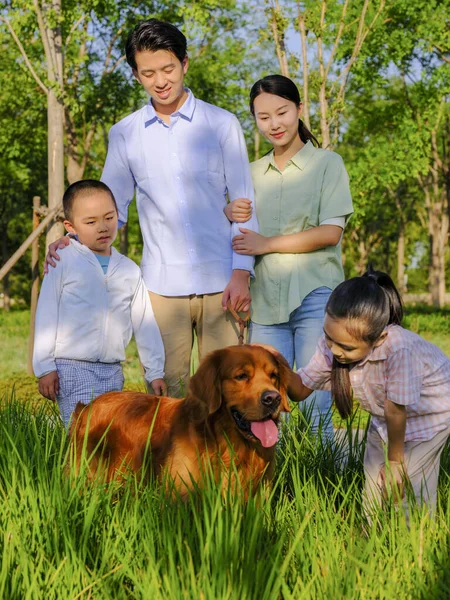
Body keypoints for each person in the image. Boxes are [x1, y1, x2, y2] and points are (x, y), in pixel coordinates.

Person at [45, 18, 258, 398]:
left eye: (168, 69)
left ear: (185, 64)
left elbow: (244, 203)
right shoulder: (125, 133)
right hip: (161, 287)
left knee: (230, 393)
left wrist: (241, 273)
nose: (160, 81)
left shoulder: (221, 124)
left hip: (222, 280)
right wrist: (72, 241)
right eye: (148, 73)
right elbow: (110, 207)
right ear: (135, 74)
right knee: (167, 396)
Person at [226, 74, 353, 441]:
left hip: (316, 296)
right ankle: (278, 481)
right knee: (264, 399)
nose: (274, 124)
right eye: (263, 117)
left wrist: (267, 243)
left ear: (299, 109)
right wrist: (228, 210)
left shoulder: (327, 164)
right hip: (265, 303)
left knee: (315, 402)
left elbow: (331, 232)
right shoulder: (250, 174)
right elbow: (238, 233)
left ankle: (320, 484)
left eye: (281, 112)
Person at [279, 269, 450, 517]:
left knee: (407, 489)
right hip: (385, 419)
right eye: (329, 338)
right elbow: (301, 389)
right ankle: (372, 531)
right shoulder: (333, 343)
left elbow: (396, 410)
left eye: (346, 347)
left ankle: (413, 541)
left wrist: (395, 463)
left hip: (429, 419)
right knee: (372, 485)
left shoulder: (399, 349)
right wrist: (276, 365)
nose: (334, 350)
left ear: (379, 339)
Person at [33, 180, 166, 427]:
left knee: (110, 435)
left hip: (112, 369)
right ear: (70, 226)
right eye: (91, 222)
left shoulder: (129, 270)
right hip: (71, 368)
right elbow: (46, 314)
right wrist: (44, 367)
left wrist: (155, 371)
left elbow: (144, 322)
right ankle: (73, 468)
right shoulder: (62, 260)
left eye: (109, 217)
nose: (103, 227)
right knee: (81, 434)